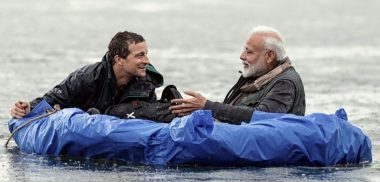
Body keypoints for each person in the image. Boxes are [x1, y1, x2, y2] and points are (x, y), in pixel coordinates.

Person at [11, 31, 176, 122]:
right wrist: (28, 108)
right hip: (83, 132)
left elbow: (146, 116)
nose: (146, 61)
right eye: (140, 56)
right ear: (119, 59)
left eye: (146, 54)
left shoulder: (145, 83)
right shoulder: (86, 78)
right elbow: (51, 100)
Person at [170, 25, 306, 124]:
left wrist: (207, 106)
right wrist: (196, 109)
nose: (242, 56)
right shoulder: (255, 75)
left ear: (270, 56)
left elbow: (262, 117)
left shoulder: (285, 83)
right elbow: (229, 113)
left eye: (249, 52)